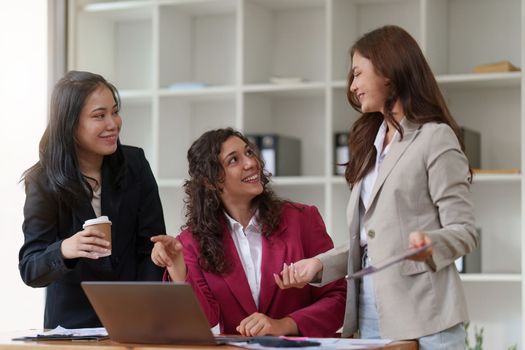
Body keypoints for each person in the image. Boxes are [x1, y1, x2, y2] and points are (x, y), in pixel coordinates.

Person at [274, 25, 479, 349]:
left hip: (428, 319)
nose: (353, 85)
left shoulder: (434, 137)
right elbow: (371, 237)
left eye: (358, 73)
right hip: (371, 314)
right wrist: (320, 264)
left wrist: (430, 244)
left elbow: (465, 230)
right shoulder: (370, 143)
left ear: (389, 72)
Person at [150, 128, 346, 337]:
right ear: (211, 181)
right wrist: (178, 268)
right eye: (233, 160)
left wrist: (283, 325)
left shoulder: (302, 219)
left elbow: (338, 298)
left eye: (249, 153)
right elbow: (205, 319)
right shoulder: (190, 243)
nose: (251, 163)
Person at [19, 71, 166, 329]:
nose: (113, 124)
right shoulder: (43, 181)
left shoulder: (135, 165)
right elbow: (30, 268)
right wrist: (65, 249)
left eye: (115, 112)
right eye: (99, 116)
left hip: (133, 320)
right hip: (72, 327)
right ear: (70, 124)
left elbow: (151, 248)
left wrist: (144, 311)